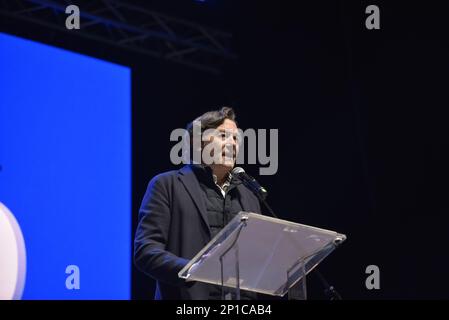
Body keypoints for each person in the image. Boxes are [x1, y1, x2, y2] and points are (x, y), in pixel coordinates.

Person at [134, 107, 262, 300]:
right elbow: (146, 251)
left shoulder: (249, 196)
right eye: (223, 135)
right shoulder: (167, 185)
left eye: (236, 139)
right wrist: (191, 270)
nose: (232, 144)